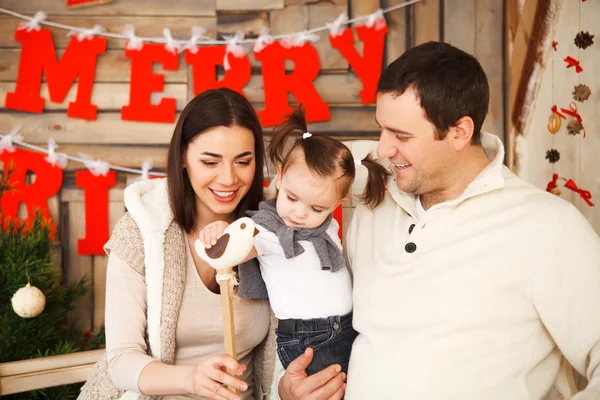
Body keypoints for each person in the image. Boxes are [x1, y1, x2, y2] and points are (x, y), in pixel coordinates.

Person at [339, 41, 600, 399]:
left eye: (401, 136)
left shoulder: (548, 227)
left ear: (460, 132)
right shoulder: (366, 192)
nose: (383, 148)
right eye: (381, 128)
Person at [79, 88, 274, 400]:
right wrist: (192, 379)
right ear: (183, 157)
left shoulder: (271, 232)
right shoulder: (140, 233)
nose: (228, 178)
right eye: (210, 162)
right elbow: (120, 360)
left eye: (243, 161)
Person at [197, 108, 388, 385]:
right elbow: (237, 246)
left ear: (338, 203)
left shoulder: (325, 226)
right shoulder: (267, 229)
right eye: (291, 197)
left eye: (316, 207)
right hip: (307, 337)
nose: (299, 213)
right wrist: (218, 232)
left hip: (348, 326)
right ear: (280, 176)